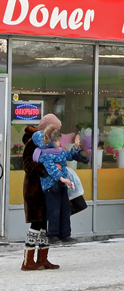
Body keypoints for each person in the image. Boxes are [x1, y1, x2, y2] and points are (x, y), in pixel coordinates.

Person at [21, 115, 62, 271]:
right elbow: (27, 164)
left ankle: (43, 258)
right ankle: (28, 261)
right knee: (36, 223)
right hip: (35, 188)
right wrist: (46, 169)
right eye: (56, 128)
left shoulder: (48, 141)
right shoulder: (33, 142)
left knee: (44, 223)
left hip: (46, 188)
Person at [34, 127, 78, 247]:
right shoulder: (45, 154)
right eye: (58, 141)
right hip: (51, 186)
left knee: (65, 209)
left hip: (62, 185)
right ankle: (52, 234)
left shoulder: (60, 152)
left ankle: (65, 234)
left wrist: (75, 147)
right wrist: (62, 178)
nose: (60, 143)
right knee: (54, 210)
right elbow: (51, 169)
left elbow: (69, 156)